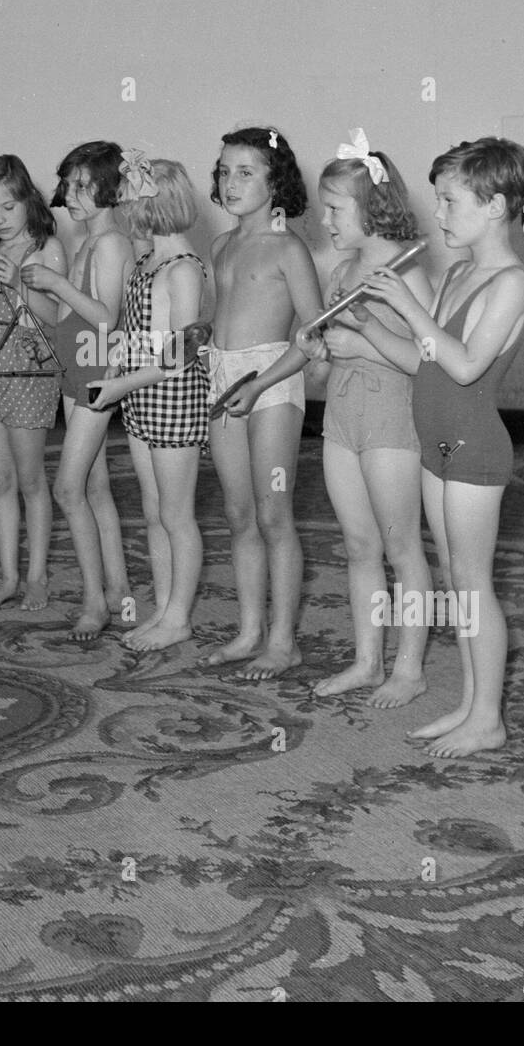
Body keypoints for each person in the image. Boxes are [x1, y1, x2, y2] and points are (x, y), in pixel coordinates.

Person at [349, 137, 524, 757]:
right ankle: (469, 705)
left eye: (451, 200)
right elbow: (422, 361)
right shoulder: (457, 271)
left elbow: (462, 365)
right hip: (436, 443)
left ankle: (489, 717)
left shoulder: (510, 284)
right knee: (457, 585)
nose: (441, 212)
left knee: (475, 585)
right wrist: (369, 325)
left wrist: (408, 302)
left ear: (496, 206)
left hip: (476, 448)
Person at [296, 131, 435, 707]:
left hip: (392, 422)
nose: (326, 220)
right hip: (343, 419)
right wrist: (321, 357)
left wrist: (360, 342)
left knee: (403, 548)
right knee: (358, 546)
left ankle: (410, 668)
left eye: (335, 209)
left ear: (372, 209)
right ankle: (366, 661)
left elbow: (426, 360)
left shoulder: (409, 273)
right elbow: (330, 367)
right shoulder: (342, 271)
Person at [204, 127, 322, 680]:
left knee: (275, 514)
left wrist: (258, 383)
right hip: (223, 379)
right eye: (225, 171)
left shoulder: (288, 248)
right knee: (237, 513)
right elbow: (222, 315)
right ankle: (250, 629)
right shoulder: (221, 245)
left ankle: (283, 641)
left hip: (272, 382)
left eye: (246, 172)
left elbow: (313, 337)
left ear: (276, 182)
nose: (231, 182)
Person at [88, 157, 207, 652]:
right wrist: (116, 367)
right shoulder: (146, 261)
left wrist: (121, 385)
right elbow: (135, 333)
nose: (125, 209)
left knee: (178, 514)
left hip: (172, 395)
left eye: (132, 201)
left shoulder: (183, 270)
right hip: (140, 394)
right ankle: (163, 607)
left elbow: (179, 356)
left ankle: (179, 616)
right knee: (154, 509)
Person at [21, 141, 135, 640]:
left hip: (98, 370)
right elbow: (72, 316)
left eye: (84, 186)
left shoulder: (111, 243)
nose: (71, 194)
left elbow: (107, 317)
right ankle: (117, 589)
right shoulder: (89, 240)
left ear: (112, 190)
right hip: (74, 365)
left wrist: (56, 283)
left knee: (67, 487)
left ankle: (95, 602)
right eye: (68, 183)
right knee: (94, 487)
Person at [0, 154, 66, 611]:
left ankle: (37, 578)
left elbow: (56, 319)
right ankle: (7, 576)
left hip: (27, 373)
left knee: (30, 479)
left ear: (27, 199)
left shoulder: (45, 249)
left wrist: (19, 288)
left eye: (8, 207)